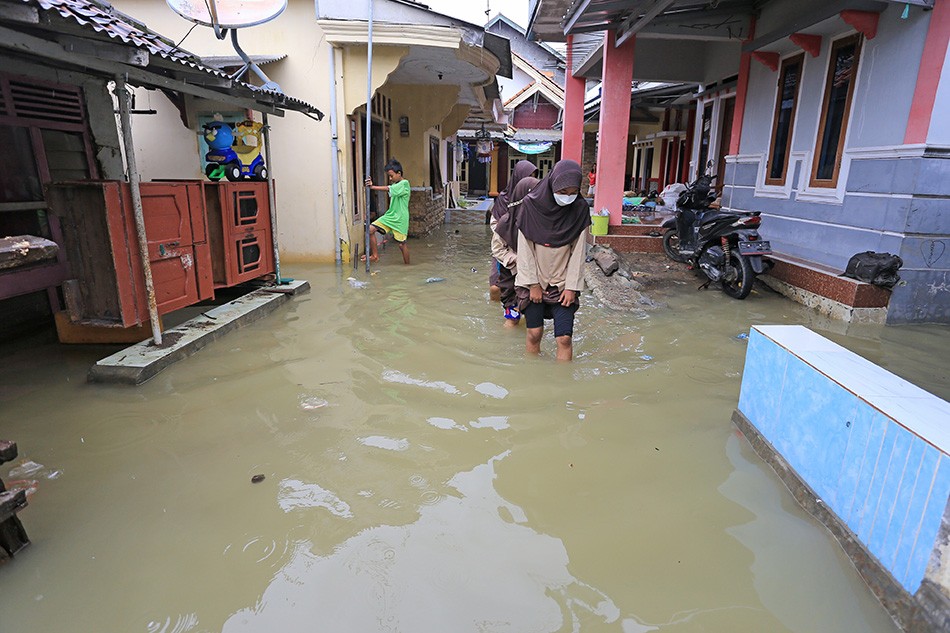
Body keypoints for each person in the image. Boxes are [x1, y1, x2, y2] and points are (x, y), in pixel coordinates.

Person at [515, 160, 591, 361]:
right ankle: (532, 372)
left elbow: (578, 253)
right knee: (534, 334)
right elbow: (525, 249)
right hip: (534, 281)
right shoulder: (530, 205)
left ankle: (563, 378)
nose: (568, 197)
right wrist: (533, 284)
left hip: (563, 283)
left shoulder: (579, 209)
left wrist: (571, 287)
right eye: (563, 191)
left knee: (564, 339)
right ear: (552, 184)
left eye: (573, 192)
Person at [489, 160, 537, 310]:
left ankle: (515, 310)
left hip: (529, 252)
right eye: (528, 176)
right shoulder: (504, 199)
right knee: (496, 287)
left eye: (533, 176)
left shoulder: (535, 201)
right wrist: (507, 231)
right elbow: (495, 224)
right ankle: (497, 308)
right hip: (506, 246)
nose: (530, 180)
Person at [363, 158, 410, 264]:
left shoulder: (405, 183)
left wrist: (372, 187)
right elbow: (390, 188)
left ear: (399, 173)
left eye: (391, 176)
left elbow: (388, 189)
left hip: (401, 218)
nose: (390, 178)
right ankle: (375, 256)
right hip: (390, 215)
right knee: (370, 230)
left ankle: (408, 266)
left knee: (402, 245)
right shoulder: (395, 185)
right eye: (389, 176)